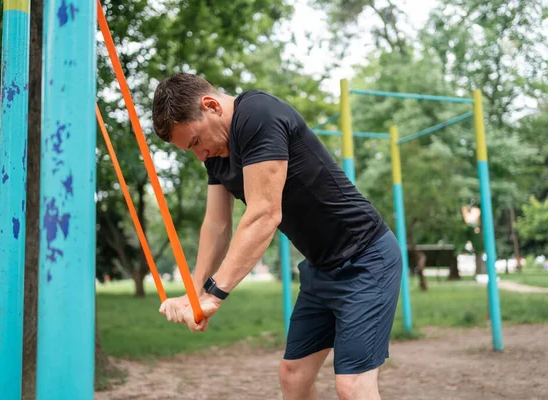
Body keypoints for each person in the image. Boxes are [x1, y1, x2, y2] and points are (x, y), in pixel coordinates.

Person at [153, 72, 402, 400]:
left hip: (367, 259)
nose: (199, 155)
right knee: (294, 377)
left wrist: (213, 295)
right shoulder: (217, 155)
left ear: (211, 106)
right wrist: (194, 291)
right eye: (191, 150)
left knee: (352, 385)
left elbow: (264, 215)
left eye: (196, 142)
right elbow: (217, 225)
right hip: (321, 269)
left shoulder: (257, 115)